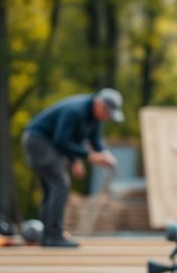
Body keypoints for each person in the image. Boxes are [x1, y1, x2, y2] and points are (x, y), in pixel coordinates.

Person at [22, 88, 123, 247]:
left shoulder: (94, 118)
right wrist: (88, 155)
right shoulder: (76, 112)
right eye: (107, 113)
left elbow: (94, 138)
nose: (107, 117)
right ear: (99, 104)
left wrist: (103, 153)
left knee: (51, 188)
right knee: (60, 184)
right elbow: (60, 140)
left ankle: (48, 235)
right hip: (38, 141)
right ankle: (54, 236)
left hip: (48, 143)